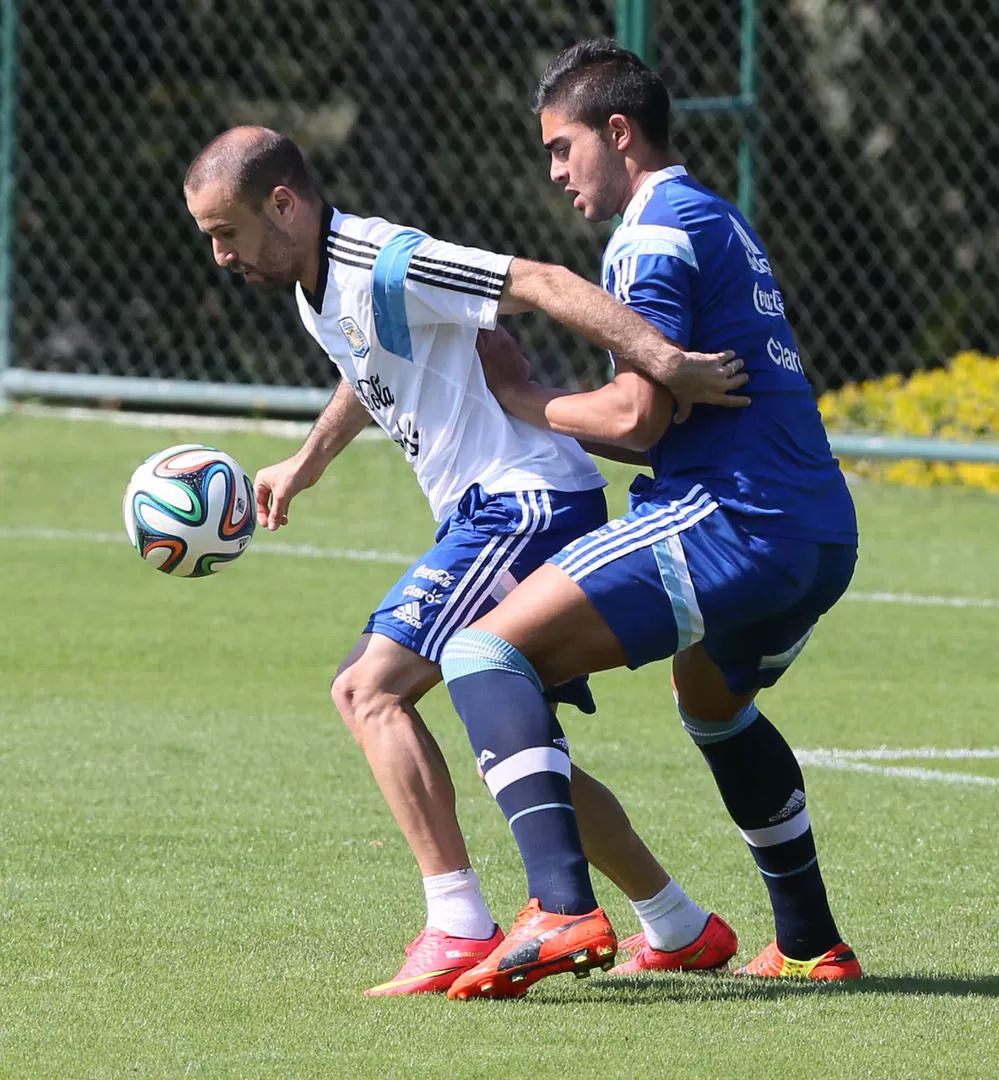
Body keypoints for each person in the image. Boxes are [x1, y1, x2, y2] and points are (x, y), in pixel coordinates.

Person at [183, 126, 751, 996]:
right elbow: (366, 362)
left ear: (284, 205)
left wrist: (662, 362)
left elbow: (544, 283)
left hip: (522, 501)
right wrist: (307, 460)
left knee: (365, 688)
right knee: (534, 755)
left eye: (227, 231)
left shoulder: (384, 258)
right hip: (500, 507)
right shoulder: (314, 288)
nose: (220, 255)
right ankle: (678, 927)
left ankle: (456, 925)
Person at [439, 39, 863, 1000]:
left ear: (617, 133)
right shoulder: (717, 216)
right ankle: (808, 941)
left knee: (479, 656)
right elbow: (659, 422)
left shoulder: (649, 230)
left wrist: (526, 396)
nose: (553, 172)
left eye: (561, 147)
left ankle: (561, 907)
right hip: (818, 530)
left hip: (732, 518)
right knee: (711, 701)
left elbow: (635, 419)